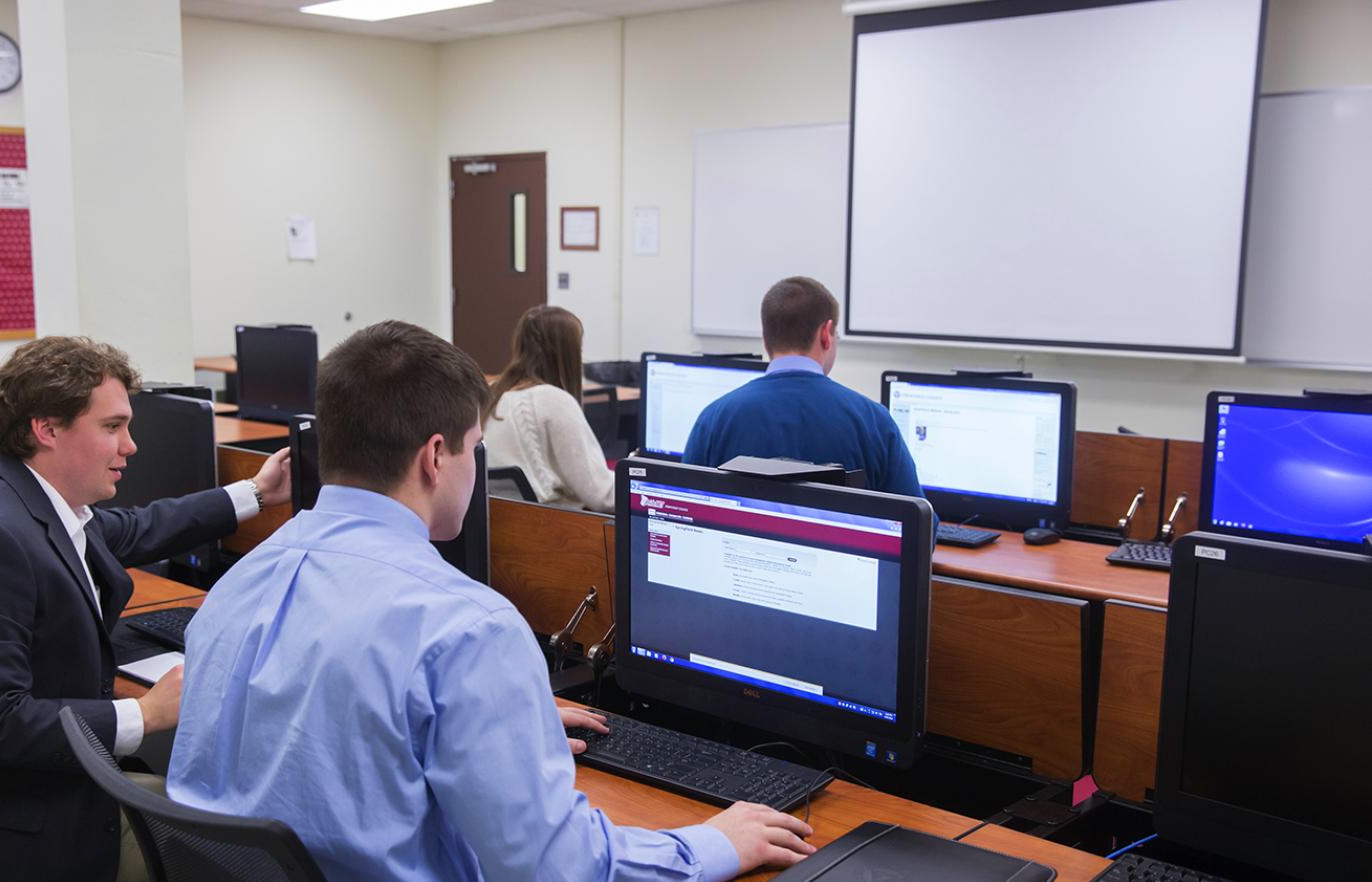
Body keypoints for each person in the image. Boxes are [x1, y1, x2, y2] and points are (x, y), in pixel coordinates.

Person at [168, 320, 815, 881]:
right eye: (476, 448)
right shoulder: (466, 628)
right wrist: (711, 844)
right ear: (435, 458)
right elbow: (561, 871)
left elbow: (308, 735)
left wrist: (498, 723)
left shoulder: (239, 584)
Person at [0, 336, 290, 882]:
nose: (130, 446)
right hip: (9, 833)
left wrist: (255, 491)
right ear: (47, 428)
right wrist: (147, 715)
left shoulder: (25, 498)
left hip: (44, 790)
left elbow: (138, 527)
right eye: (112, 427)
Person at [682, 277, 926, 498]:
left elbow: (682, 506)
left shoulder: (714, 419)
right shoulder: (874, 422)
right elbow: (921, 530)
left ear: (766, 339)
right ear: (825, 335)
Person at [482, 305, 616, 511]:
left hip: (501, 527)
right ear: (567, 354)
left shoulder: (490, 394)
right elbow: (602, 496)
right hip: (553, 530)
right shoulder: (554, 401)